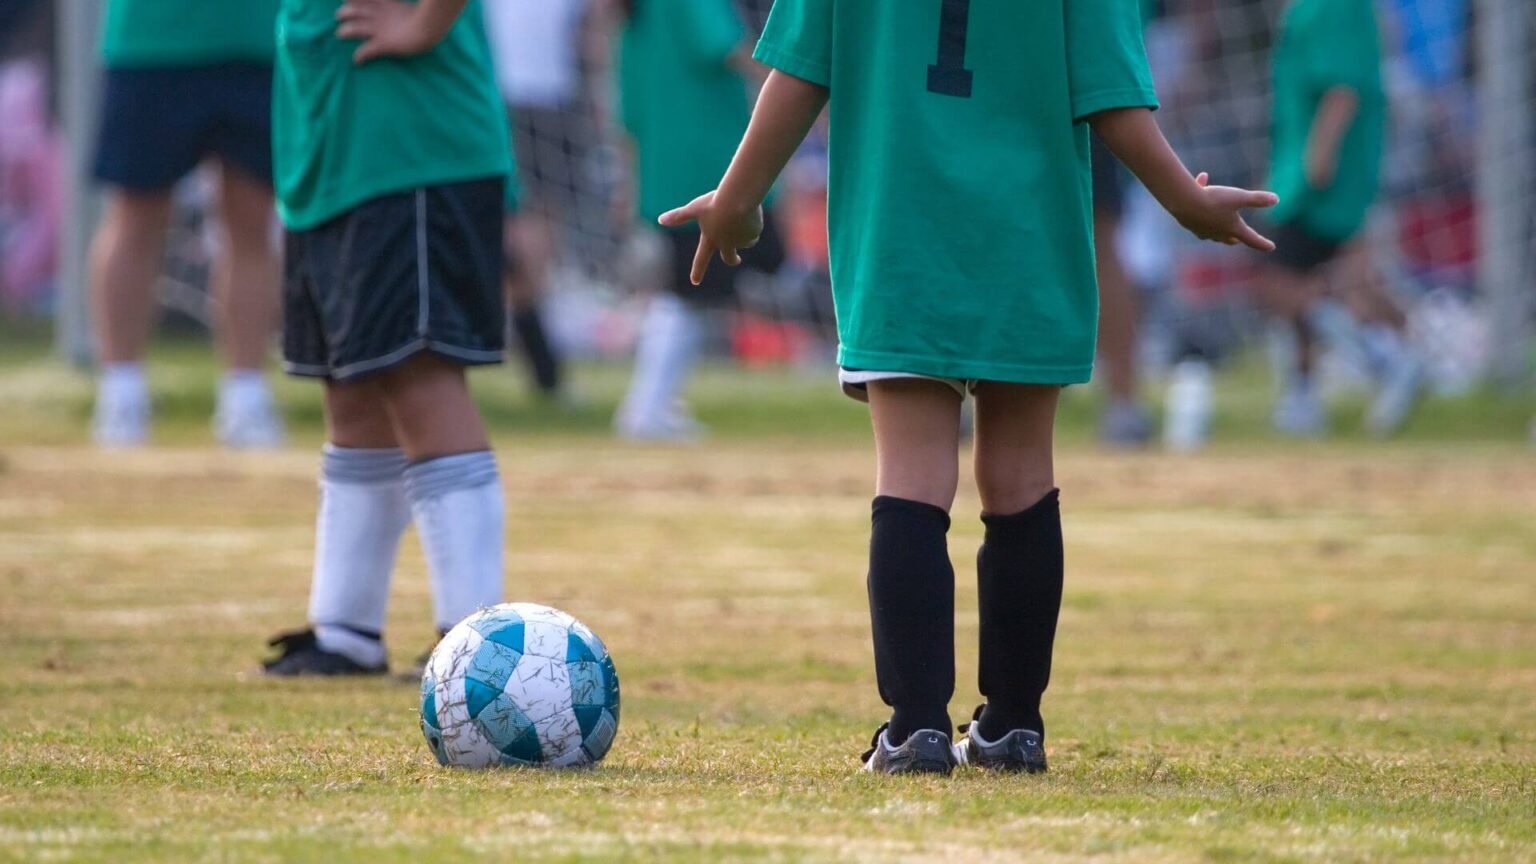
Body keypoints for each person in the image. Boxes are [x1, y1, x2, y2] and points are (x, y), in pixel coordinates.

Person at [661, 0, 1277, 773]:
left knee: (913, 473)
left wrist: (734, 199)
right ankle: (1014, 727)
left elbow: (797, 73)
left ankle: (916, 728)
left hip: (900, 236)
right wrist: (1186, 198)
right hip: (1029, 235)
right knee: (1021, 477)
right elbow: (1112, 92)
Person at [261, 0, 512, 676]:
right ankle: (346, 631)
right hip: (331, 154)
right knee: (352, 391)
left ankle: (477, 644)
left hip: (411, 148)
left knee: (421, 377)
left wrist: (426, 20)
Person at [88, 0, 286, 448]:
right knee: (135, 217)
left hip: (258, 42)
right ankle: (120, 395)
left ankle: (247, 398)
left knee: (253, 222)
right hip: (150, 40)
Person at [610, 0, 783, 442]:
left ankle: (654, 404)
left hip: (666, 164)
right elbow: (726, 46)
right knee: (696, 285)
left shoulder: (635, 16)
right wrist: (800, 86)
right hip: (708, 166)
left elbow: (627, 107)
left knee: (698, 284)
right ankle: (646, 408)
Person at [1254, 0, 1422, 438]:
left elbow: (1343, 86)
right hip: (1302, 166)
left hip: (1321, 175)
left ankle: (1381, 358)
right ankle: (1309, 392)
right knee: (1331, 282)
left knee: (1284, 279)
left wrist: (1319, 158)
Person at [484, 0, 590, 401]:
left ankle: (542, 360)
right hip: (512, 96)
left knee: (531, 233)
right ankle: (543, 362)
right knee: (525, 235)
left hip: (538, 97)